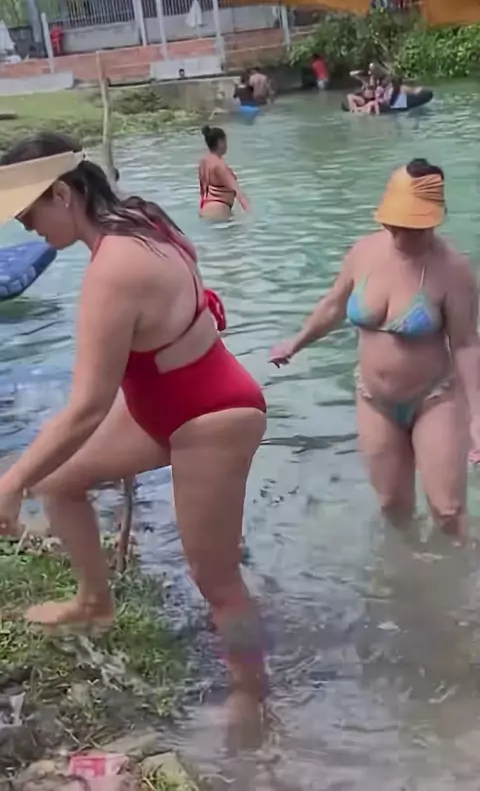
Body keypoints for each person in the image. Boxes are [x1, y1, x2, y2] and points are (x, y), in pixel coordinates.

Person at [0, 132, 267, 737]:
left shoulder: (113, 269)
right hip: (165, 402)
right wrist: (31, 476)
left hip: (212, 415)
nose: (25, 227)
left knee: (217, 580)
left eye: (29, 213)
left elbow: (87, 407)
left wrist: (11, 482)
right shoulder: (141, 216)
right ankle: (94, 602)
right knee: (60, 481)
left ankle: (252, 696)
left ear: (62, 195)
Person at [271, 159, 480, 537]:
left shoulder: (453, 270)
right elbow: (333, 306)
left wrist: (477, 415)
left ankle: (461, 573)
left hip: (435, 398)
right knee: (391, 507)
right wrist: (297, 341)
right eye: (393, 222)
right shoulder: (364, 252)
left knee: (447, 510)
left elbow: (465, 344)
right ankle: (406, 571)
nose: (397, 231)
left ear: (432, 220)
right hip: (374, 399)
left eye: (409, 225)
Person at [198, 126, 249, 221]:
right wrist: (251, 217)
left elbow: (202, 192)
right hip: (219, 212)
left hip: (204, 210)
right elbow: (239, 194)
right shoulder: (220, 166)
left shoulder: (203, 163)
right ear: (220, 142)